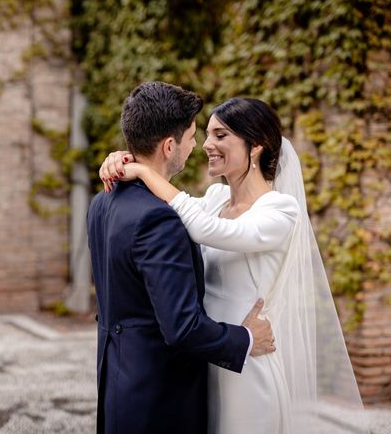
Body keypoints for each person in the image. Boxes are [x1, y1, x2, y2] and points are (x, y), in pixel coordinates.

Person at [100, 96, 365, 433]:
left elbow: (207, 229)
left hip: (247, 366)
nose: (207, 144)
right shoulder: (213, 199)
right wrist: (120, 159)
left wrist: (140, 170)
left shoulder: (280, 210)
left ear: (255, 146)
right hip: (209, 355)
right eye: (207, 134)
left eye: (221, 135)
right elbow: (165, 210)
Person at [86, 82, 276, 434]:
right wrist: (246, 339)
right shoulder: (159, 218)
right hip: (160, 396)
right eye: (192, 136)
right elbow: (182, 327)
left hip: (117, 381)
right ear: (169, 145)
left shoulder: (103, 201)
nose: (197, 146)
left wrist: (131, 164)